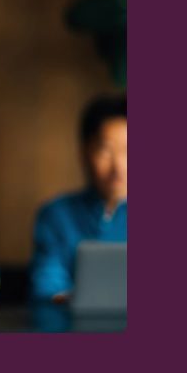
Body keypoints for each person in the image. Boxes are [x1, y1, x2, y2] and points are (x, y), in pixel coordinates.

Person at [29, 94, 127, 303]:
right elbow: (47, 285)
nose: (119, 167)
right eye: (106, 151)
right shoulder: (56, 215)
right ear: (84, 152)